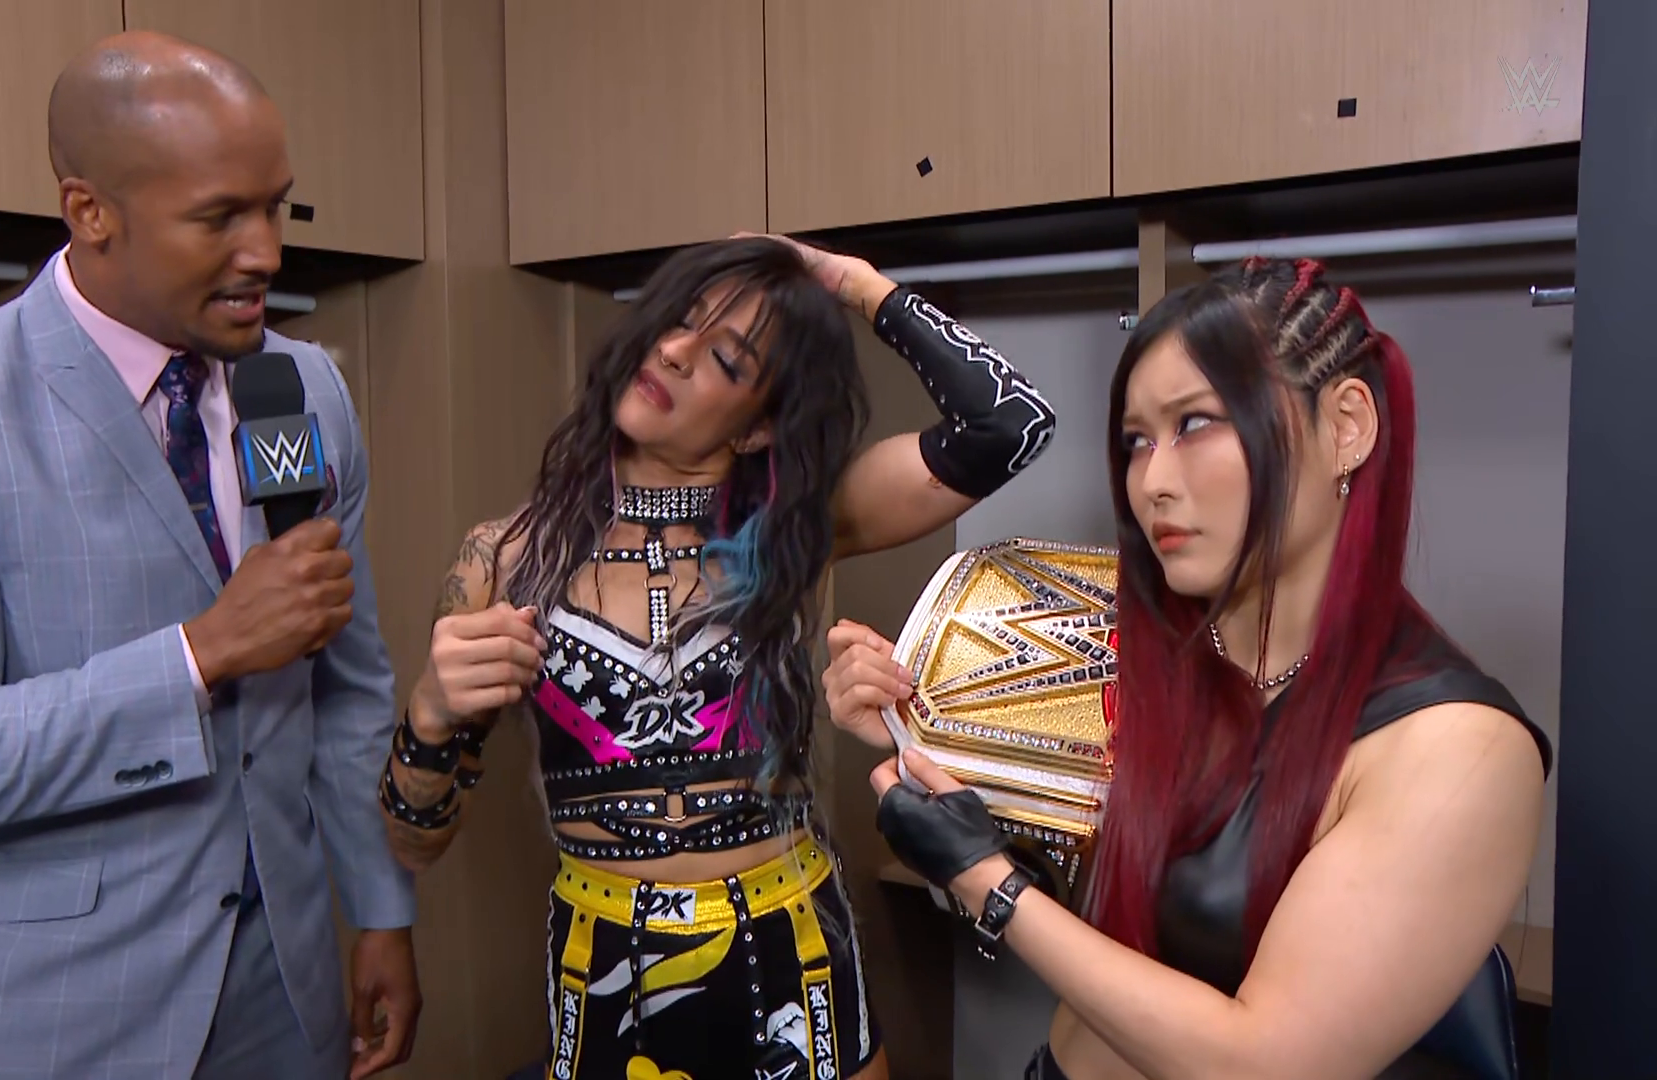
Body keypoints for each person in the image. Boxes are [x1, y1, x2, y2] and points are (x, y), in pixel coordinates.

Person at [0, 31, 419, 1080]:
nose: (266, 253)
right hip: (58, 1023)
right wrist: (198, 655)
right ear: (91, 212)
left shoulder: (300, 389)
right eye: (220, 217)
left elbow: (346, 680)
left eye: (277, 207)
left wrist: (379, 907)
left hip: (290, 1001)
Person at [823, 257, 1553, 1079]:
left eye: (1197, 424)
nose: (1153, 482)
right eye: (1137, 441)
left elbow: (1265, 1064)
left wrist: (986, 882)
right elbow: (1084, 888)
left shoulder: (1460, 748)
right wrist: (913, 725)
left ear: (1346, 426)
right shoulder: (1143, 650)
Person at [377, 234, 1058, 1078]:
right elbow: (412, 845)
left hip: (794, 960)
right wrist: (430, 712)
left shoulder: (795, 531)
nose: (673, 350)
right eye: (675, 320)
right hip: (604, 978)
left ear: (759, 426)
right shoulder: (503, 559)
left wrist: (851, 282)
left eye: (726, 359)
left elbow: (1009, 424)